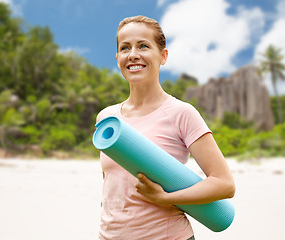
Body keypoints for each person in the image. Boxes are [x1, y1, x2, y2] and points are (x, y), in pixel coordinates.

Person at [96, 15, 235, 240]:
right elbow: (112, 185)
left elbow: (224, 184)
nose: (133, 55)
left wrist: (165, 199)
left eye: (143, 46)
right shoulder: (107, 118)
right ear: (117, 57)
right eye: (125, 48)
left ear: (163, 56)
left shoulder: (182, 113)